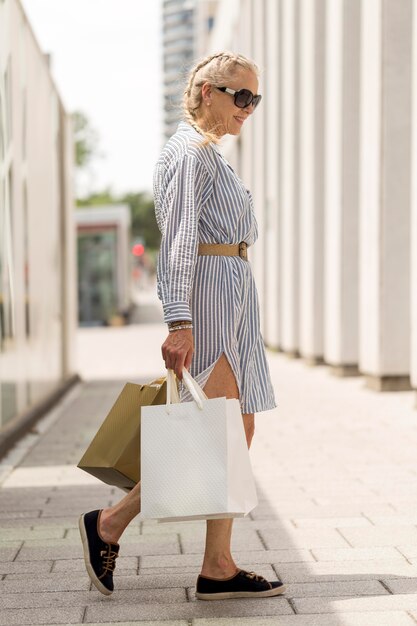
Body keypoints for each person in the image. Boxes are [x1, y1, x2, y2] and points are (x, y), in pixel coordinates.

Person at [78, 51, 285, 600]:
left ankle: (217, 565)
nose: (249, 107)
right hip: (210, 299)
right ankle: (111, 523)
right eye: (240, 96)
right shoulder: (190, 153)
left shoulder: (210, 153)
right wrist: (178, 319)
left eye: (254, 98)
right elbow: (178, 237)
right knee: (208, 435)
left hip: (234, 295)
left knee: (234, 431)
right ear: (206, 93)